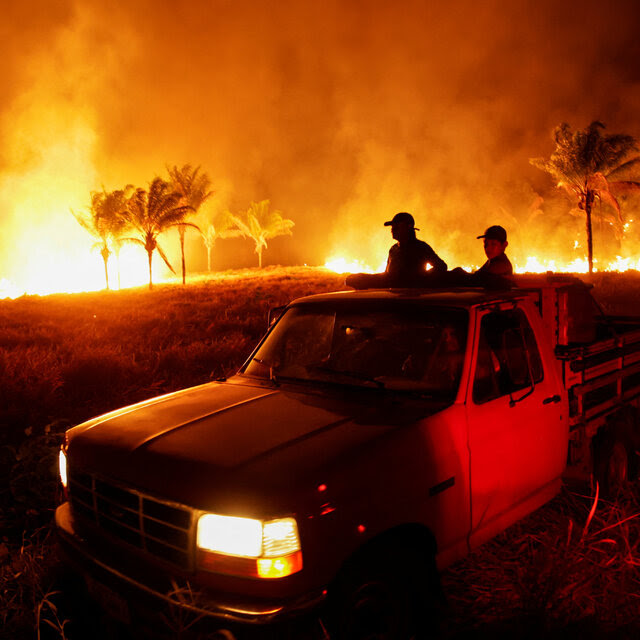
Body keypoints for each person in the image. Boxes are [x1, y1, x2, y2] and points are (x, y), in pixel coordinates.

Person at [384, 212, 447, 286]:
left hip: (413, 295)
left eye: (397, 226)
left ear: (409, 227)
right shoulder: (393, 249)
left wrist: (422, 278)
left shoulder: (421, 247)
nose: (392, 229)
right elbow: (387, 274)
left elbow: (441, 266)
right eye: (392, 226)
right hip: (394, 295)